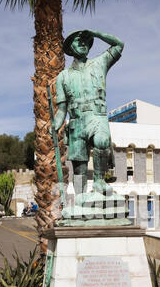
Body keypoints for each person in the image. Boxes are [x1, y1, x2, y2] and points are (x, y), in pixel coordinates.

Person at [53, 29, 124, 196]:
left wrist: (97, 34)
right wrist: (55, 125)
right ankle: (81, 198)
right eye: (79, 41)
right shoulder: (63, 77)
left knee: (101, 140)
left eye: (86, 40)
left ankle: (99, 180)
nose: (83, 43)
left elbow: (119, 45)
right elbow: (62, 109)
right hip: (77, 122)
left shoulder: (100, 63)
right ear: (70, 48)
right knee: (80, 167)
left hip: (97, 116)